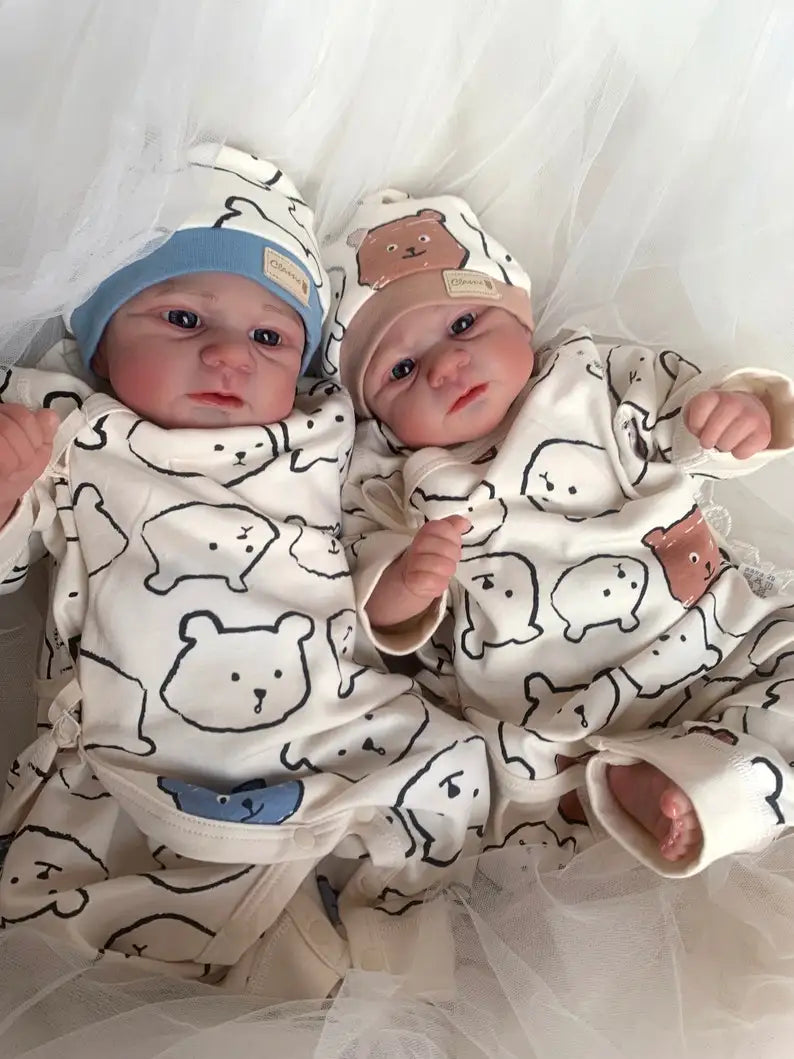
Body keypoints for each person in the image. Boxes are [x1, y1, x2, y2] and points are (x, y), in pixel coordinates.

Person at [0, 155, 488, 996]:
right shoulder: (75, 434)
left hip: (329, 719)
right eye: (183, 318)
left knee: (454, 767)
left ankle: (387, 972)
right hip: (145, 743)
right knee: (76, 918)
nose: (229, 355)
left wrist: (404, 587)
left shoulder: (327, 434)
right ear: (102, 344)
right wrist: (9, 484)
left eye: (270, 338)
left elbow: (364, 549)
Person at [321, 187, 794, 877]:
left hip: (718, 639)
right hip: (567, 713)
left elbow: (682, 410)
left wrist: (736, 414)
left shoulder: (592, 375)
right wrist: (406, 585)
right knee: (494, 798)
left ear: (521, 315)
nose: (445, 367)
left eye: (464, 325)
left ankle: (692, 778)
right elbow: (366, 602)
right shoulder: (387, 480)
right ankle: (669, 783)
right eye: (401, 370)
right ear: (376, 413)